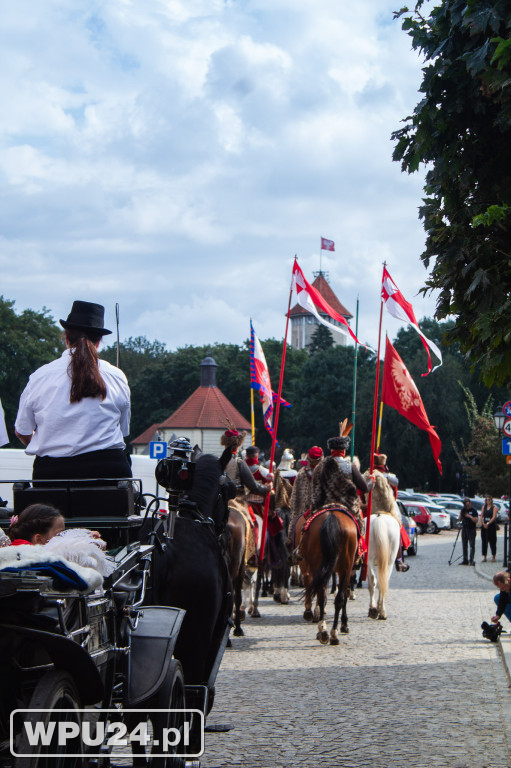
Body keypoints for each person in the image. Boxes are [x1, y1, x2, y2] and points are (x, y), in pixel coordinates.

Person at [15, 301, 131, 481]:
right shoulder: (116, 376)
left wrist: (44, 441)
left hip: (52, 474)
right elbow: (123, 430)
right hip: (108, 474)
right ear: (98, 342)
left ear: (66, 339)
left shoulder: (40, 377)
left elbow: (22, 430)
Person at [363, 453, 409, 572]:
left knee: (358, 527)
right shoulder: (390, 477)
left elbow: (360, 493)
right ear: (384, 463)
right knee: (397, 527)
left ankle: (356, 557)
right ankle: (399, 560)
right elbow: (395, 495)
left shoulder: (366, 475)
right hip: (387, 508)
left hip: (369, 509)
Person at [286, 446, 324, 549]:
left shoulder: (301, 473)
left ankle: (292, 545)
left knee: (294, 528)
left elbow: (294, 500)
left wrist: (294, 516)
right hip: (322, 511)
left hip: (302, 512)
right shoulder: (324, 473)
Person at [458, 498, 478, 565]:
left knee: (472, 545)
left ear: (470, 503)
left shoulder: (473, 510)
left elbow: (476, 520)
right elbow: (459, 519)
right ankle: (465, 559)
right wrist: (461, 513)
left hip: (471, 529)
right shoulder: (463, 510)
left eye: (468, 503)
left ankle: (471, 560)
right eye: (465, 504)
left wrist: (469, 516)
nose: (467, 505)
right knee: (464, 544)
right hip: (464, 528)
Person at [481, 495, 498, 563]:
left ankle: (493, 556)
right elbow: (481, 516)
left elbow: (494, 517)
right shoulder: (483, 507)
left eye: (489, 500)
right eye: (486, 500)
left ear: (491, 500)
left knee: (492, 541)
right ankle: (484, 556)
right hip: (484, 526)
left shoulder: (494, 508)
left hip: (491, 526)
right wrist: (483, 524)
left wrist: (488, 523)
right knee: (484, 541)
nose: (487, 501)